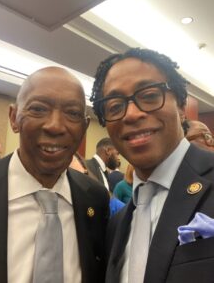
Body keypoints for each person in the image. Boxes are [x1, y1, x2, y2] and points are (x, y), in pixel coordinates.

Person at [90, 47, 214, 283]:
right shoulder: (116, 225)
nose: (132, 114)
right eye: (115, 106)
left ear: (181, 105)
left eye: (149, 95)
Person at [0, 66, 110, 283]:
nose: (55, 126)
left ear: (83, 128)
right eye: (38, 109)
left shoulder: (95, 198)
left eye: (72, 113)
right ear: (14, 117)